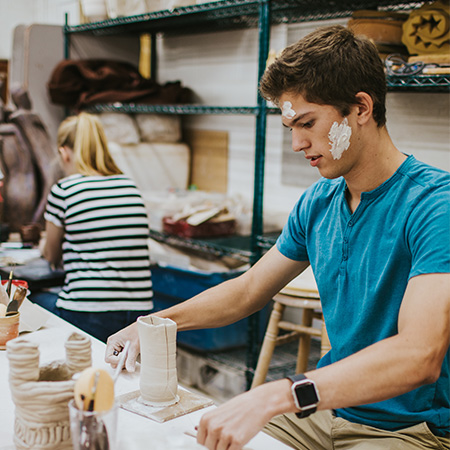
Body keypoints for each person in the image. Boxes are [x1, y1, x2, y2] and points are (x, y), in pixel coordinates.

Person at [105, 25, 450, 449]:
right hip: (327, 413)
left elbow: (420, 355)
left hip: (409, 429)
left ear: (361, 107)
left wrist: (278, 393)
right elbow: (248, 289)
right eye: (289, 126)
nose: (295, 143)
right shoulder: (320, 201)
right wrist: (157, 324)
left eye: (307, 123)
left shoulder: (435, 206)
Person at [38, 112, 153, 342]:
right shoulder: (129, 186)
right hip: (140, 316)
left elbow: (51, 255)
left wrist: (43, 242)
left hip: (88, 313)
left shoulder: (65, 190)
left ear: (64, 152)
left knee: (31, 301)